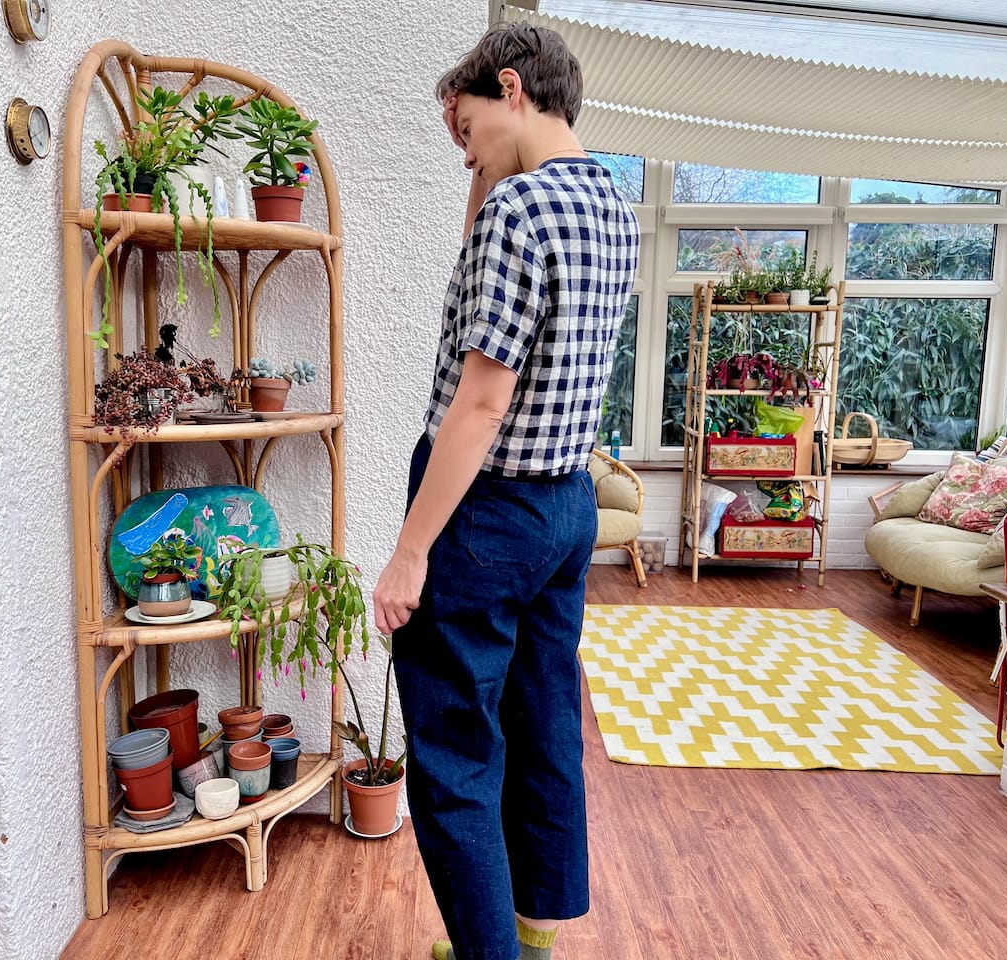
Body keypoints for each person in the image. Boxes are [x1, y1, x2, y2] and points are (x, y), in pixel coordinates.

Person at [371, 20, 640, 960]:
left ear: (513, 88)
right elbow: (495, 298)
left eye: (467, 124)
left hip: (483, 513)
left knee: (451, 756)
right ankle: (530, 932)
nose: (464, 148)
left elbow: (480, 405)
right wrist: (487, 169)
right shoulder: (612, 203)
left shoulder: (518, 215)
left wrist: (411, 552)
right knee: (541, 724)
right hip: (565, 504)